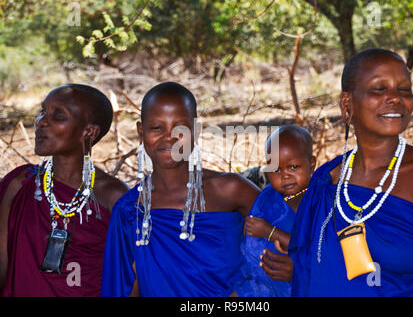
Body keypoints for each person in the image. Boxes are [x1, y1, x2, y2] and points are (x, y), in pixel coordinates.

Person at [288, 48, 413, 296]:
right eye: (379, 89)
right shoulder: (327, 180)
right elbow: (310, 268)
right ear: (347, 103)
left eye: (404, 90)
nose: (395, 98)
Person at [100, 82, 260, 297]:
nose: (169, 138)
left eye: (180, 129)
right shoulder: (131, 209)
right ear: (141, 132)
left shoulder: (231, 189)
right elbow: (128, 285)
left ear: (196, 131)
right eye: (156, 128)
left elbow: (279, 243)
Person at [0, 84, 128, 296]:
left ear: (89, 131)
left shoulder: (112, 195)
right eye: (42, 112)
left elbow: (130, 275)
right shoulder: (21, 182)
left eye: (58, 116)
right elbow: (2, 261)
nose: (41, 122)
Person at [236, 125, 316, 297]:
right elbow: (250, 244)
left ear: (312, 164)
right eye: (276, 169)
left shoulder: (319, 200)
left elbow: (316, 248)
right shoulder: (268, 198)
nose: (285, 175)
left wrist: (271, 232)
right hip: (262, 285)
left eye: (294, 167)